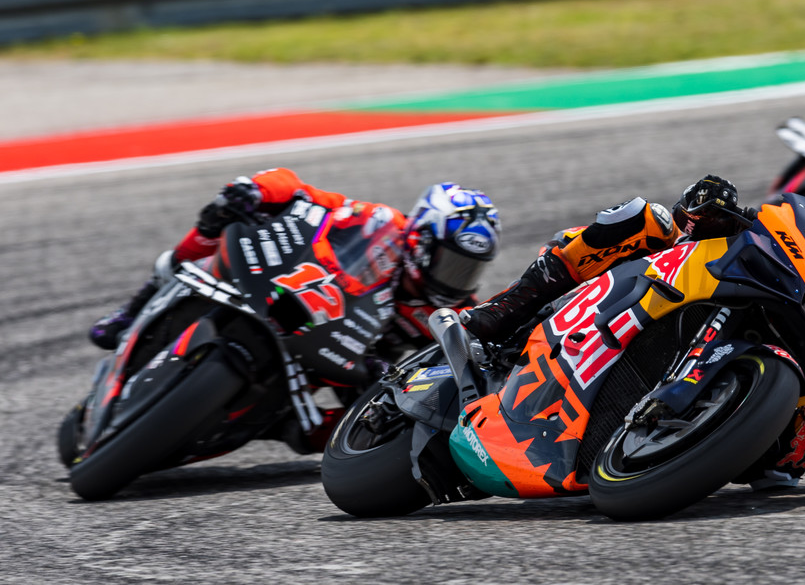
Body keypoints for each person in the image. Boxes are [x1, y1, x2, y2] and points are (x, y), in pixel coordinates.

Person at [461, 175, 805, 490]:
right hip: (664, 287)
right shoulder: (790, 254)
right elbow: (699, 215)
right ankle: (505, 310)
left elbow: (779, 472)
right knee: (645, 219)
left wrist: (797, 425)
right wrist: (708, 209)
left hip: (637, 459)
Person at [88, 168, 501, 451]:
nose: (455, 278)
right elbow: (303, 193)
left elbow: (471, 357)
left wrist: (402, 379)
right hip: (295, 297)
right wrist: (255, 191)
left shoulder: (451, 310)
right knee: (217, 219)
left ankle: (272, 425)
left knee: (358, 429)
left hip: (349, 365)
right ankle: (133, 309)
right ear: (421, 240)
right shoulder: (379, 222)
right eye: (450, 262)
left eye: (468, 269)